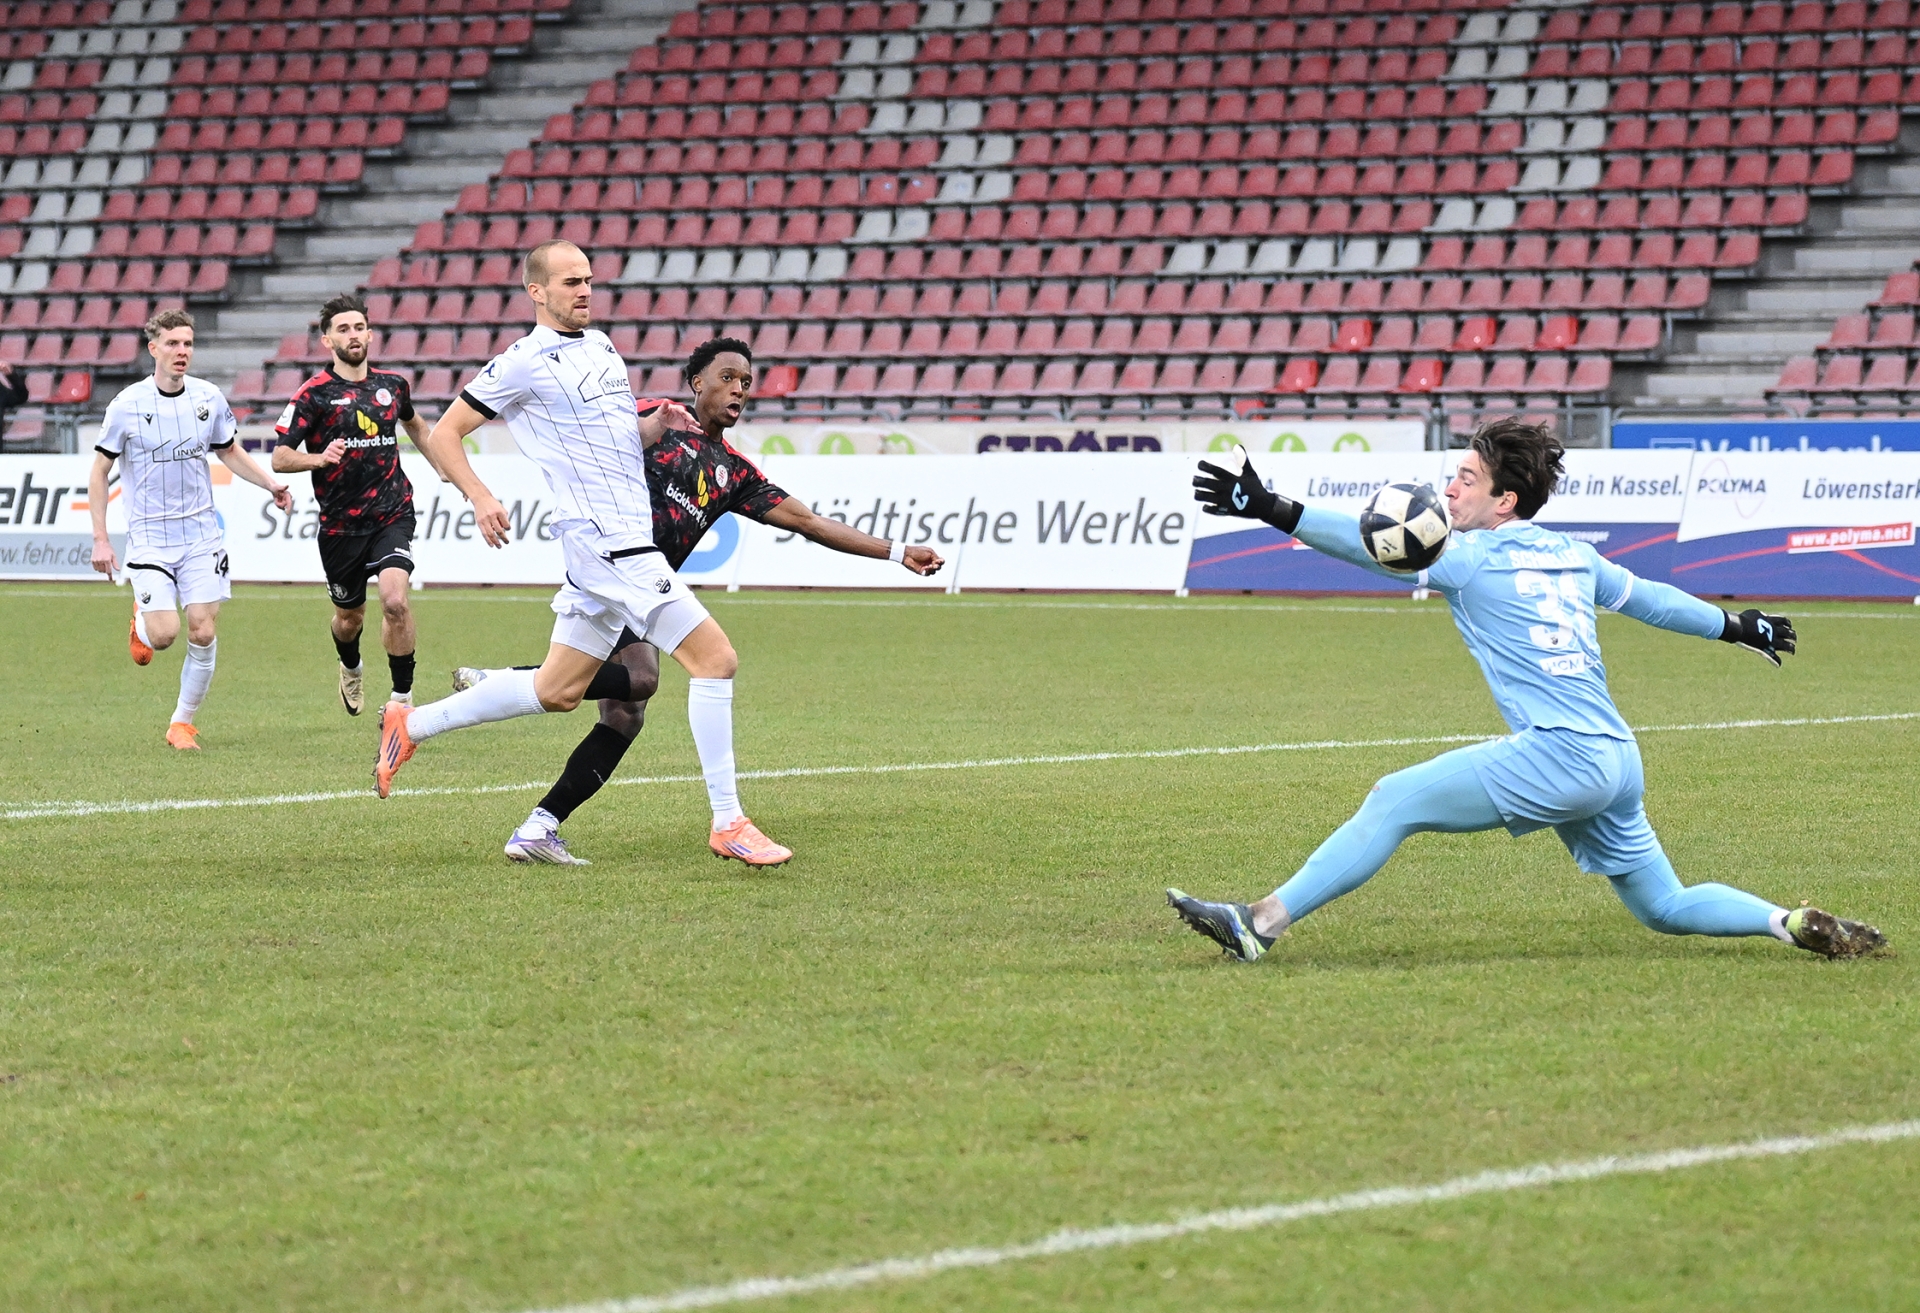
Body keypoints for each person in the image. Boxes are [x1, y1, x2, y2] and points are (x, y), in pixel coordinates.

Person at [1167, 419, 1886, 962]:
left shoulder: (1467, 558)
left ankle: (1258, 924)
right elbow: (1654, 600)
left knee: (1393, 799)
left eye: (1466, 478)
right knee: (1664, 906)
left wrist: (1272, 506)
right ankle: (1786, 921)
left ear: (1505, 499)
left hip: (1561, 755)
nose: (1450, 489)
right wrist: (1737, 625)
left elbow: (1371, 543)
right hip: (1616, 757)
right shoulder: (1575, 554)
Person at [451, 336, 945, 865]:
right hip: (610, 567)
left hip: (645, 588)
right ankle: (512, 695)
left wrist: (897, 552)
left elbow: (807, 521)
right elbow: (581, 440)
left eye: (746, 383)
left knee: (627, 710)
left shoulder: (733, 471)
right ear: (697, 383)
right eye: (727, 378)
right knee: (641, 684)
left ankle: (536, 823)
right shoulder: (652, 418)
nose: (739, 390)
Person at [375, 241, 791, 866]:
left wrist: (655, 426)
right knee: (716, 660)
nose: (585, 290)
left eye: (589, 279)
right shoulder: (522, 361)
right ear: (537, 291)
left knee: (558, 690)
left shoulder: (601, 346)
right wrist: (479, 495)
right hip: (609, 540)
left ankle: (413, 726)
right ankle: (729, 822)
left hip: (613, 542)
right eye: (571, 281)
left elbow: (617, 438)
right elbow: (445, 432)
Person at [89, 309, 294, 749]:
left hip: (201, 535)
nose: (182, 351)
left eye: (187, 343)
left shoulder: (208, 398)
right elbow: (99, 471)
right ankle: (143, 622)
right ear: (153, 349)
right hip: (150, 538)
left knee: (203, 629)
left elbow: (229, 451)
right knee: (164, 635)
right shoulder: (127, 405)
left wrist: (270, 484)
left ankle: (181, 723)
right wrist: (101, 538)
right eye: (172, 344)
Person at [271, 293, 433, 716]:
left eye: (359, 327)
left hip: (393, 512)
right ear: (327, 340)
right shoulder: (313, 395)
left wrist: (447, 467)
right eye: (343, 329)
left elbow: (415, 424)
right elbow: (280, 457)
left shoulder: (392, 386)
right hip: (341, 526)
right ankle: (350, 665)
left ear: (370, 334)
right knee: (349, 619)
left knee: (395, 601)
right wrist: (318, 458)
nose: (353, 335)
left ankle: (402, 701)